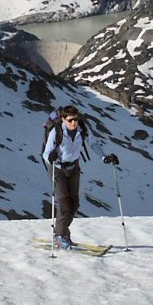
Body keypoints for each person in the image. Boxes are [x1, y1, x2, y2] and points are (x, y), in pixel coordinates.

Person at [44, 105, 90, 249]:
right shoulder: (56, 132)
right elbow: (46, 153)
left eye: (76, 119)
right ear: (63, 119)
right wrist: (50, 157)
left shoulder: (81, 130)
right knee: (64, 205)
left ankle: (63, 232)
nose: (74, 123)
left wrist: (105, 157)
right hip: (58, 170)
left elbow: (93, 143)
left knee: (74, 204)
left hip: (74, 168)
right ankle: (59, 236)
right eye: (70, 120)